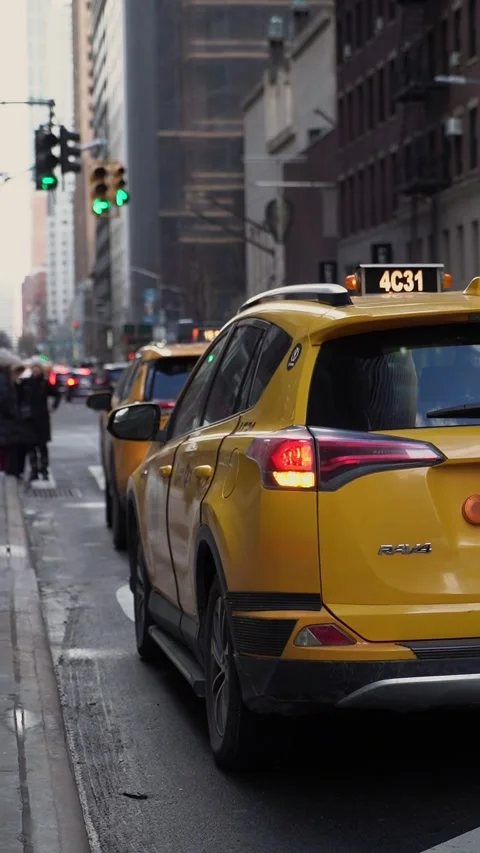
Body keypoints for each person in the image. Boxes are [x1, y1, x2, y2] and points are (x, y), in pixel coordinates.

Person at [21, 356, 61, 481]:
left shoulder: (44, 382)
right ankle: (34, 470)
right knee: (31, 446)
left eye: (37, 368)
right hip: (29, 419)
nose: (35, 370)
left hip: (42, 418)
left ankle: (44, 469)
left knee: (42, 446)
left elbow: (57, 393)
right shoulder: (26, 383)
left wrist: (54, 406)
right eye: (33, 368)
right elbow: (19, 396)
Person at [0, 349, 26, 477]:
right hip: (5, 423)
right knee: (5, 450)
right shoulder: (4, 380)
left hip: (5, 422)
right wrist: (14, 413)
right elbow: (6, 401)